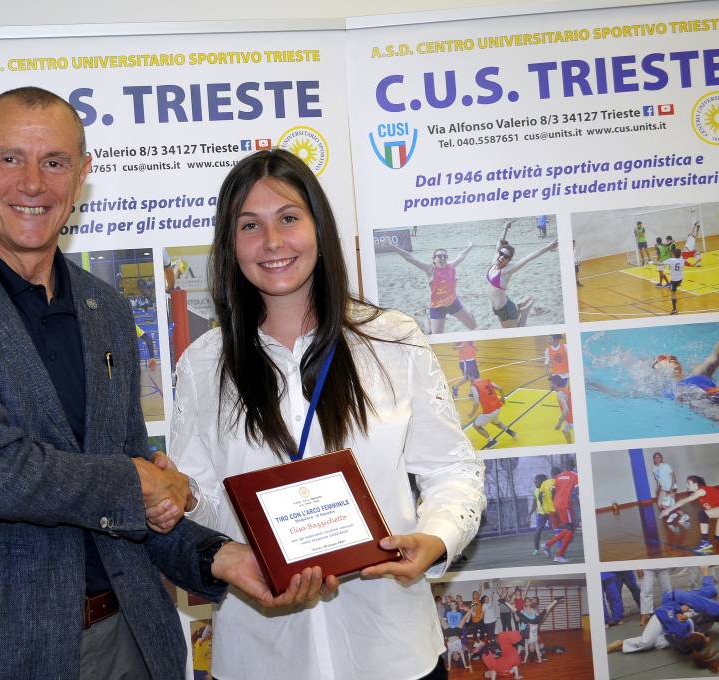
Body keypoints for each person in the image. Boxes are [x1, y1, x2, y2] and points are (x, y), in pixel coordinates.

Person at [0, 88, 317, 680]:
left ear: (81, 175)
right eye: (10, 158)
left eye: (54, 162)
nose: (33, 183)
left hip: (130, 638)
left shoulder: (103, 307)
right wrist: (140, 479)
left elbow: (131, 498)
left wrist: (219, 557)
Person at [168, 149, 486, 680]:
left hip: (392, 649)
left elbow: (453, 469)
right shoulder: (204, 364)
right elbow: (202, 502)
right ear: (230, 244)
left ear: (318, 227)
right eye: (250, 225)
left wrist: (436, 538)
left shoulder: (393, 340)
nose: (273, 242)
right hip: (262, 655)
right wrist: (181, 500)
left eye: (289, 218)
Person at [607, 566, 719, 672]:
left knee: (658, 644)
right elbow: (663, 611)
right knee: (646, 642)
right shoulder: (690, 621)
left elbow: (708, 589)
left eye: (704, 637)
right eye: (705, 636)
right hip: (663, 615)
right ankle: (620, 643)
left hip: (673, 621)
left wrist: (684, 614)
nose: (706, 636)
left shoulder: (685, 646)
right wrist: (679, 610)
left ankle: (639, 640)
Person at [390, 241, 478, 333]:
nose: (442, 258)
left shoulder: (451, 266)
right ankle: (425, 317)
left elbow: (462, 256)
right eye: (439, 256)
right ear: (434, 259)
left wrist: (470, 246)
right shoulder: (430, 269)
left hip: (453, 303)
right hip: (438, 307)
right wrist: (391, 246)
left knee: (474, 327)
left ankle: (438, 315)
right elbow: (409, 258)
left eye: (445, 256)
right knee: (435, 336)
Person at [486, 220, 558, 328]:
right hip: (498, 308)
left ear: (509, 260)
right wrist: (505, 228)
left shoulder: (506, 271)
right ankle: (520, 308)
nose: (501, 257)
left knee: (516, 329)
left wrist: (547, 248)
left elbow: (528, 258)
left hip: (506, 310)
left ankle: (524, 312)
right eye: (501, 254)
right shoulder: (494, 262)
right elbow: (499, 242)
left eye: (506, 257)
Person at [663, 475, 719, 554]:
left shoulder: (701, 490)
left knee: (702, 514)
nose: (687, 485)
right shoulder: (701, 493)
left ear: (695, 484)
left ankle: (705, 543)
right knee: (717, 538)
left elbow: (684, 501)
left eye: (688, 483)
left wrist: (668, 509)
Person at [543, 462, 579, 563]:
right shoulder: (575, 475)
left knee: (568, 528)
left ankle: (547, 545)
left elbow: (553, 492)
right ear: (574, 466)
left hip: (557, 504)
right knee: (571, 529)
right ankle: (559, 555)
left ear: (565, 467)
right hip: (566, 504)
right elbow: (578, 490)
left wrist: (557, 501)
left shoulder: (558, 476)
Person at [469, 377, 518, 444]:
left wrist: (472, 413)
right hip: (497, 408)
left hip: (489, 412)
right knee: (496, 422)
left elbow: (476, 403)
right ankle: (512, 433)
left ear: (469, 377)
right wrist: (502, 398)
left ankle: (491, 441)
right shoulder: (486, 381)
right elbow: (500, 388)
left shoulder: (474, 386)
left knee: (476, 426)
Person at [654, 452, 690, 527]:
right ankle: (672, 514)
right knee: (660, 504)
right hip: (663, 489)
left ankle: (684, 515)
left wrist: (671, 488)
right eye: (655, 457)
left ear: (661, 458)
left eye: (658, 457)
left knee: (671, 505)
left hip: (671, 487)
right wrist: (657, 489)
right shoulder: (654, 468)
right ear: (654, 459)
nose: (657, 458)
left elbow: (673, 476)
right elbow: (658, 480)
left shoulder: (666, 466)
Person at [552, 378, 574, 444]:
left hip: (572, 419)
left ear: (555, 385)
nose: (549, 384)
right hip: (569, 418)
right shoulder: (565, 389)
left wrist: (559, 423)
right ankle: (569, 444)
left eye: (551, 383)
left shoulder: (560, 393)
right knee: (565, 431)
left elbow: (566, 409)